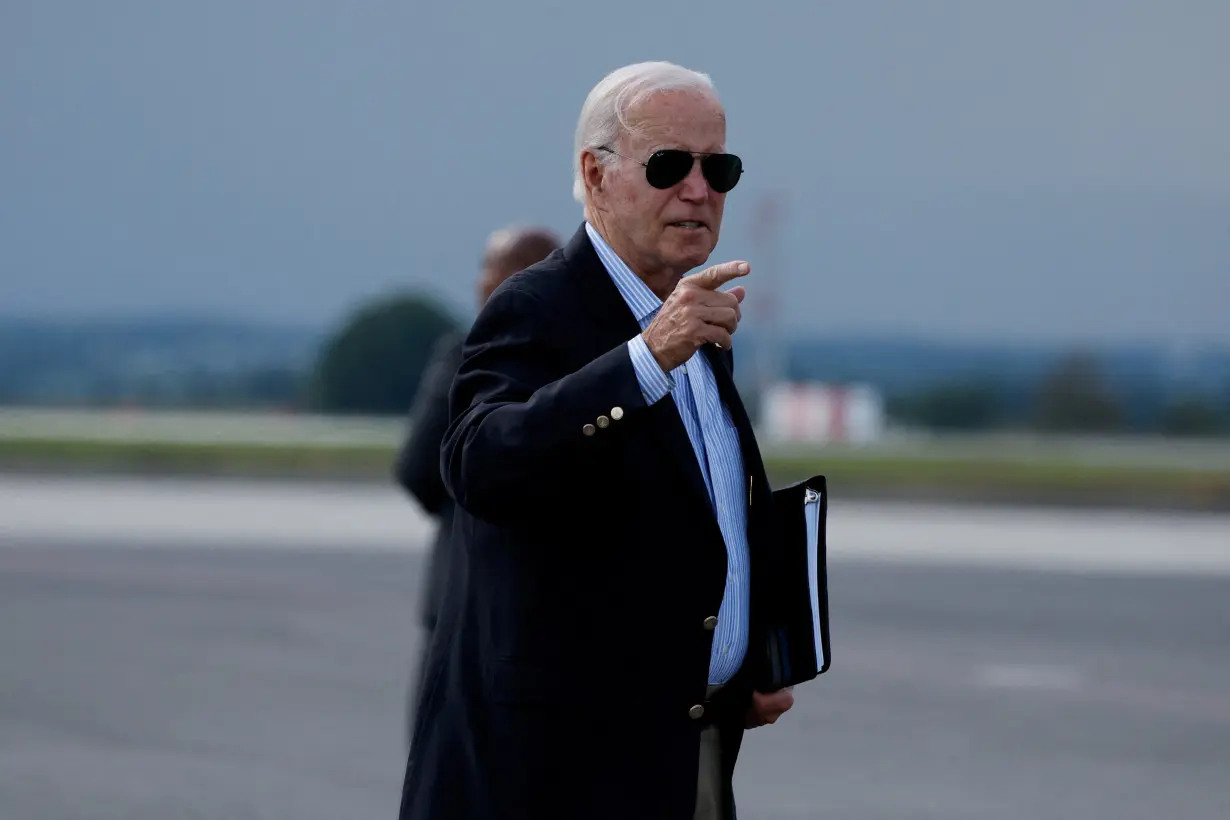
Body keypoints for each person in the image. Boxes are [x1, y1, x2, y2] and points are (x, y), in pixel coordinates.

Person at [398, 61, 794, 820]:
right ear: (596, 173)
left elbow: (680, 522)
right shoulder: (537, 307)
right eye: (671, 164)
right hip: (556, 776)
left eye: (720, 168)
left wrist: (739, 662)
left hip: (678, 754)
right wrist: (645, 359)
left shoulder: (696, 322)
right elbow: (478, 463)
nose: (699, 188)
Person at [392, 225, 560, 738]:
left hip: (458, 600)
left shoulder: (467, 355)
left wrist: (458, 504)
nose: (480, 283)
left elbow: (416, 467)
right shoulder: (588, 363)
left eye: (491, 269)